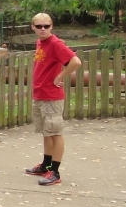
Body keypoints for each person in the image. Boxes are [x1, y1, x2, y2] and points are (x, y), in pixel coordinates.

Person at [24, 13, 82, 185]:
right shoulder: (40, 42)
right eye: (39, 26)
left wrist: (60, 76)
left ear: (52, 26)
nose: (43, 29)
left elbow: (75, 62)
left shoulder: (56, 44)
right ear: (33, 27)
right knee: (46, 132)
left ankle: (55, 172)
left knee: (55, 133)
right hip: (40, 94)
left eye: (46, 26)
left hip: (51, 96)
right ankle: (46, 165)